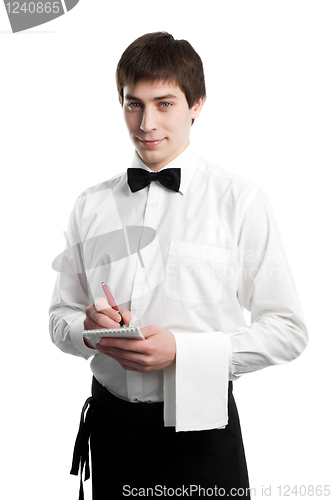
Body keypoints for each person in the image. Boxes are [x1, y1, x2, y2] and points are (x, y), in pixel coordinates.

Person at [49, 32, 308, 500]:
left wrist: (183, 354)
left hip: (203, 442)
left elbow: (288, 330)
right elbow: (58, 318)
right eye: (134, 104)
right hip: (112, 435)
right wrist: (90, 331)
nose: (146, 122)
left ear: (197, 104)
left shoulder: (242, 202)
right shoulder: (88, 205)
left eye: (164, 103)